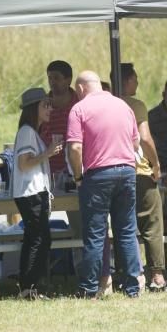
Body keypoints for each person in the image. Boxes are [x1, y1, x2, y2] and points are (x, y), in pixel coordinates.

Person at [66, 70, 142, 298]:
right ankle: (132, 287)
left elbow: (75, 148)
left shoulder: (79, 109)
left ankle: (89, 288)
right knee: (127, 231)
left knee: (95, 234)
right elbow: (136, 141)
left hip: (97, 175)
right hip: (127, 171)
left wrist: (78, 176)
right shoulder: (123, 106)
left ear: (80, 89)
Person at [117, 63, 167, 293]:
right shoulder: (135, 105)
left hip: (114, 171)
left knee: (123, 226)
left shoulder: (105, 104)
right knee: (152, 224)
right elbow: (145, 138)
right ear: (128, 81)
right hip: (139, 171)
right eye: (136, 78)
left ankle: (127, 274)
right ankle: (157, 276)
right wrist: (156, 164)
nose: (138, 82)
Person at [13, 88, 63, 299]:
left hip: (33, 192)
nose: (49, 109)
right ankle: (30, 287)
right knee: (39, 239)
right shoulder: (27, 132)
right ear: (34, 108)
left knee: (37, 238)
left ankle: (29, 287)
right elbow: (23, 164)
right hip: (30, 193)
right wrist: (48, 153)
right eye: (45, 105)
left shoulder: (32, 132)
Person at [39, 60, 80, 181]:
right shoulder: (42, 105)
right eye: (50, 78)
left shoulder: (79, 103)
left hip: (75, 171)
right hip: (47, 172)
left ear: (68, 80)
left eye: (57, 78)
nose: (52, 82)